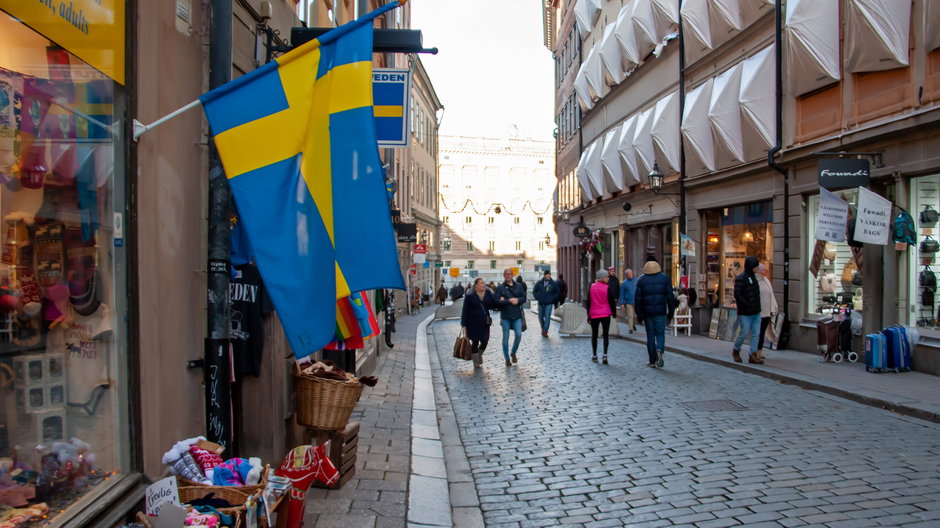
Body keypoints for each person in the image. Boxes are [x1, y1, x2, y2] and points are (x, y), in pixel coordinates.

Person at [635, 259, 676, 368]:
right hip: (660, 311)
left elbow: (638, 299)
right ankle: (660, 349)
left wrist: (639, 314)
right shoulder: (664, 279)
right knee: (660, 333)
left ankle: (652, 361)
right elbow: (670, 297)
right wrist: (671, 312)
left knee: (650, 336)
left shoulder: (641, 280)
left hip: (647, 313)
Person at [733, 256, 764, 364]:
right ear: (751, 267)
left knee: (756, 334)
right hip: (745, 312)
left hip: (756, 312)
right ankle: (736, 349)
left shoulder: (753, 277)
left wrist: (757, 306)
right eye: (755, 266)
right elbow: (737, 294)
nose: (757, 268)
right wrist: (746, 305)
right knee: (744, 332)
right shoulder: (741, 278)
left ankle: (753, 354)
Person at [495, 268, 527, 367]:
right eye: (506, 274)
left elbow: (524, 298)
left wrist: (517, 300)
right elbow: (497, 301)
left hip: (517, 315)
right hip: (505, 316)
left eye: (510, 274)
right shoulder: (500, 288)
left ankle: (513, 352)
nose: (508, 275)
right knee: (505, 338)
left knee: (518, 335)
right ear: (504, 275)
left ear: (512, 275)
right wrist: (507, 300)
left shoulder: (519, 286)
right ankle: (507, 359)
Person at [461, 278, 496, 368]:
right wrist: (464, 324)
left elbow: (493, 304)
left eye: (484, 283)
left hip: (484, 322)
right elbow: (465, 310)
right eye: (481, 283)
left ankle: (479, 354)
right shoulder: (470, 294)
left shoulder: (488, 293)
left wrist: (499, 300)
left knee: (485, 341)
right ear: (476, 285)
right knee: (475, 342)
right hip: (472, 322)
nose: (483, 284)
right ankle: (476, 362)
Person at [585, 269, 613, 364]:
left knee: (594, 335)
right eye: (606, 277)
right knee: (605, 335)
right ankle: (605, 355)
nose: (608, 278)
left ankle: (594, 355)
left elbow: (588, 302)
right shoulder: (607, 288)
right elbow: (611, 301)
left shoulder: (592, 287)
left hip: (594, 314)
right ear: (602, 278)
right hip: (605, 314)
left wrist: (588, 315)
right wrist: (614, 312)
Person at [755, 262, 778, 362]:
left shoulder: (766, 280)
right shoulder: (755, 281)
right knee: (757, 332)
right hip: (758, 311)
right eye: (763, 270)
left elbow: (771, 295)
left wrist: (773, 307)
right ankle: (754, 351)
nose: (765, 271)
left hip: (767, 311)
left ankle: (759, 350)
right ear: (758, 270)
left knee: (762, 332)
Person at [532, 270, 559, 337]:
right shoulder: (539, 283)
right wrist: (538, 298)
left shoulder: (553, 283)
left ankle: (545, 331)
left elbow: (557, 292)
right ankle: (543, 328)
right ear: (544, 275)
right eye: (547, 274)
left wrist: (552, 298)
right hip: (541, 303)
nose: (548, 276)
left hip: (549, 303)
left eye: (549, 274)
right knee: (540, 317)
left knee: (547, 317)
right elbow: (534, 291)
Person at [619, 268, 638, 333]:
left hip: (636, 301)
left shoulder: (636, 281)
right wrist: (621, 303)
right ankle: (630, 328)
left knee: (635, 315)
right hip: (628, 302)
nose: (629, 275)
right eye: (628, 274)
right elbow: (622, 294)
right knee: (630, 315)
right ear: (626, 275)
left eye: (630, 273)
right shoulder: (624, 283)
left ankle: (633, 324)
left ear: (632, 273)